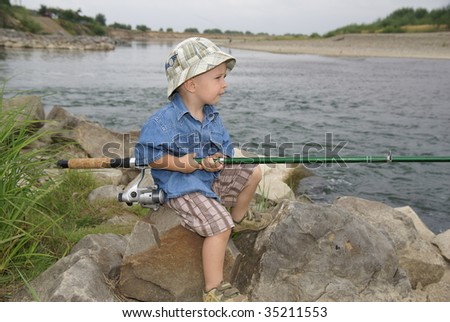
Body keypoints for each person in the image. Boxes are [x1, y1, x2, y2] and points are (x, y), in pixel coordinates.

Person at [135, 37, 272, 302]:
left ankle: (240, 218)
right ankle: (213, 289)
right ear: (191, 83)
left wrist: (219, 158)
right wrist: (177, 164)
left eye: (224, 77)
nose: (225, 84)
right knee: (220, 226)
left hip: (209, 180)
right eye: (219, 77)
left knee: (253, 172)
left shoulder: (211, 115)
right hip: (183, 189)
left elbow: (226, 150)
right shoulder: (163, 121)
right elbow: (145, 154)